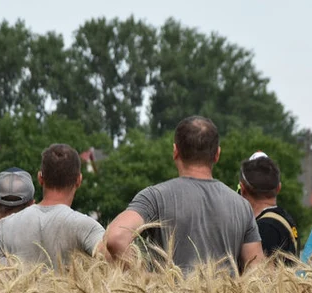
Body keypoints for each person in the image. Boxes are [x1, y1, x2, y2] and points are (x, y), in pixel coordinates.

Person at [103, 116, 264, 274]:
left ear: (175, 152)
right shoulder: (242, 206)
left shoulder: (154, 197)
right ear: (217, 154)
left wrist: (145, 278)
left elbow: (116, 237)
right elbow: (256, 272)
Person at [0, 144, 104, 267]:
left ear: (40, 178)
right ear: (79, 180)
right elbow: (118, 263)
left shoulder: (5, 226)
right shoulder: (88, 228)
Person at [238, 151, 298, 262]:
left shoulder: (262, 228)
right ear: (278, 188)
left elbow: (260, 275)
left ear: (242, 189)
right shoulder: (285, 218)